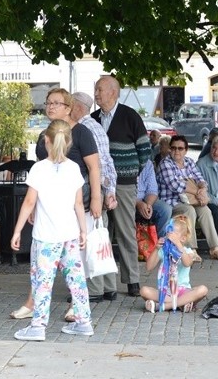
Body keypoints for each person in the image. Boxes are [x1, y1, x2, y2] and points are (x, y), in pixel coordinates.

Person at [11, 89, 102, 320]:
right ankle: (33, 302)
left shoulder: (82, 133)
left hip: (75, 201)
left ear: (69, 108)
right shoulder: (45, 135)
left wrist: (97, 197)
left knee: (74, 259)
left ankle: (75, 304)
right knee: (42, 258)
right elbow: (43, 172)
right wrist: (36, 205)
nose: (50, 107)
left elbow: (94, 167)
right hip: (48, 205)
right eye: (48, 103)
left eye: (56, 103)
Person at [91, 75, 152, 297]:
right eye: (96, 90)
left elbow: (145, 150)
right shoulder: (93, 119)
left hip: (124, 184)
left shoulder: (129, 116)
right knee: (101, 231)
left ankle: (132, 280)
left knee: (126, 231)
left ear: (113, 92)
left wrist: (131, 171)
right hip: (100, 184)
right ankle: (106, 284)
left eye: (100, 90)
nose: (96, 94)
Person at [71, 91, 117, 301]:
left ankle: (94, 288)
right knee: (100, 239)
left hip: (91, 193)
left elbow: (97, 166)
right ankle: (109, 286)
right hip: (99, 191)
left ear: (77, 107)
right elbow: (108, 163)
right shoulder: (96, 127)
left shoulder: (83, 129)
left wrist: (101, 195)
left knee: (90, 239)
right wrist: (110, 191)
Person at [157, 135, 218, 261]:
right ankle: (191, 249)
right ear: (169, 149)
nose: (176, 151)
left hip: (191, 200)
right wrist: (198, 193)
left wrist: (203, 189)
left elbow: (200, 179)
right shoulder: (165, 163)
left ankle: (214, 248)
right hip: (171, 202)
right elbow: (175, 185)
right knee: (189, 210)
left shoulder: (189, 162)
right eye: (173, 148)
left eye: (180, 148)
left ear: (186, 150)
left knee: (205, 210)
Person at [141, 217, 208, 313]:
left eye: (174, 233)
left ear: (183, 238)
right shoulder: (163, 250)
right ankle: (182, 304)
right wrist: (156, 249)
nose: (170, 235)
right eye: (169, 232)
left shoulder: (187, 251)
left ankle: (162, 306)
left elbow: (187, 263)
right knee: (144, 291)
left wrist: (178, 244)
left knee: (203, 290)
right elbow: (149, 267)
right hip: (166, 292)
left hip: (183, 291)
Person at [136, 159, 171, 237]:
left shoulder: (147, 163)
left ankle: (159, 243)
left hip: (145, 199)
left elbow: (152, 190)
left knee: (165, 209)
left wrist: (148, 205)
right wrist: (138, 203)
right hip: (128, 200)